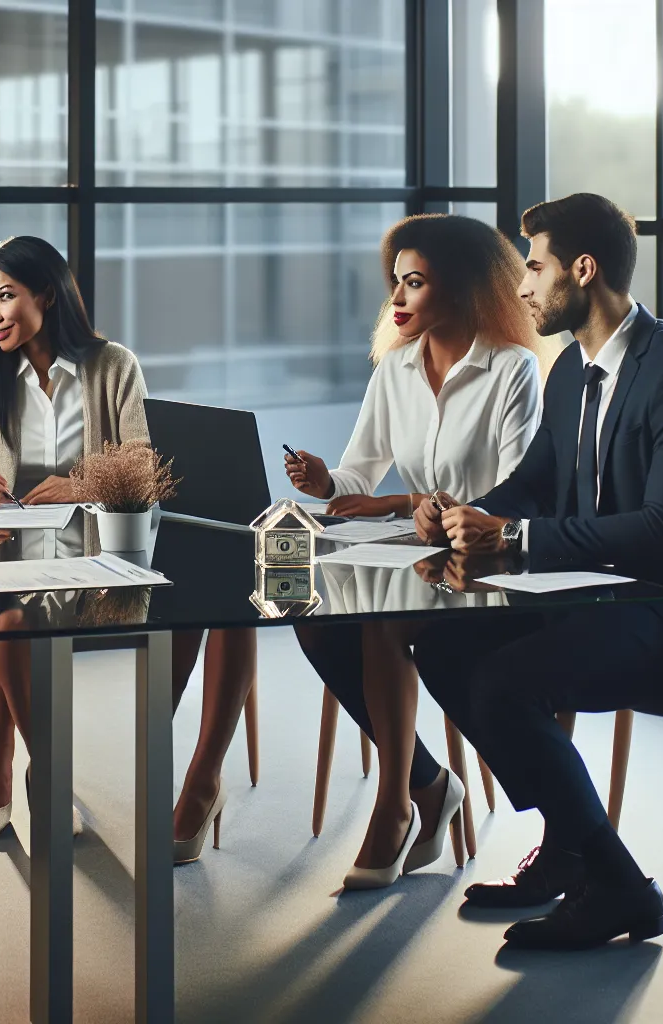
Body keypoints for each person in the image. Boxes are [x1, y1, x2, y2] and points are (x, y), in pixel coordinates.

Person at [409, 193, 663, 950]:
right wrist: (461, 514)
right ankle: (575, 844)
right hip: (606, 597)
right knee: (437, 639)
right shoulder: (571, 371)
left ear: (583, 269)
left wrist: (516, 537)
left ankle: (616, 885)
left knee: (504, 684)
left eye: (535, 268)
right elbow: (535, 487)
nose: (522, 288)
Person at [0, 236, 255, 859]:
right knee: (10, 617)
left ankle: (32, 750)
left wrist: (83, 481)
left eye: (6, 296)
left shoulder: (113, 365)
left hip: (103, 563)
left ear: (46, 294)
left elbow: (144, 460)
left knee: (212, 601)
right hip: (9, 559)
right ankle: (35, 763)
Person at [282, 213, 549, 888]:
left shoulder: (511, 369)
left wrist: (419, 508)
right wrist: (322, 480)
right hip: (419, 556)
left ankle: (394, 807)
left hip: (488, 564)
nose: (397, 300)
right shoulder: (396, 368)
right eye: (395, 283)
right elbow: (358, 477)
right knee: (312, 619)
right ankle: (428, 785)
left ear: (462, 289)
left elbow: (523, 492)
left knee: (378, 617)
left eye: (416, 283)